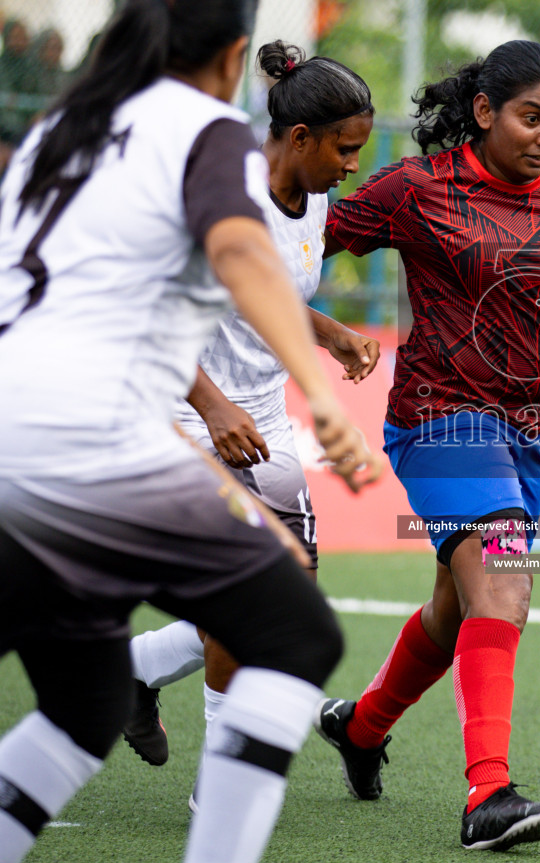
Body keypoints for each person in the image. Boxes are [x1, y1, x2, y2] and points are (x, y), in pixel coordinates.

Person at [0, 0, 381, 863]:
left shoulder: (59, 127)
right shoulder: (208, 131)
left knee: (79, 706)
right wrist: (313, 387)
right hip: (73, 418)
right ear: (236, 51)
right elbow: (242, 245)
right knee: (292, 627)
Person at [318, 39, 540, 851]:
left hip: (519, 432)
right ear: (483, 112)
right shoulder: (418, 189)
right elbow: (305, 240)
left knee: (456, 609)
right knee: (506, 588)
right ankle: (489, 795)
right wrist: (320, 328)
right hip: (440, 417)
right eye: (531, 118)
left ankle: (361, 728)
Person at [119, 40, 381, 800]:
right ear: (299, 138)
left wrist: (329, 333)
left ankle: (132, 672)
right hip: (184, 417)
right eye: (346, 148)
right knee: (248, 602)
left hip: (261, 425)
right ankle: (222, 783)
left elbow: (263, 291)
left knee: (281, 598)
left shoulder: (315, 196)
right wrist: (211, 404)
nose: (353, 165)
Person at [0, 17, 40, 145]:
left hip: (31, 121)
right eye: (15, 37)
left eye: (23, 37)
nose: (20, 42)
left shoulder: (31, 65)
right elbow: (7, 98)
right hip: (7, 125)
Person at [32, 27, 69, 97]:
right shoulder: (32, 75)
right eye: (52, 48)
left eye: (58, 48)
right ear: (41, 49)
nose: (55, 53)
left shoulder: (63, 76)